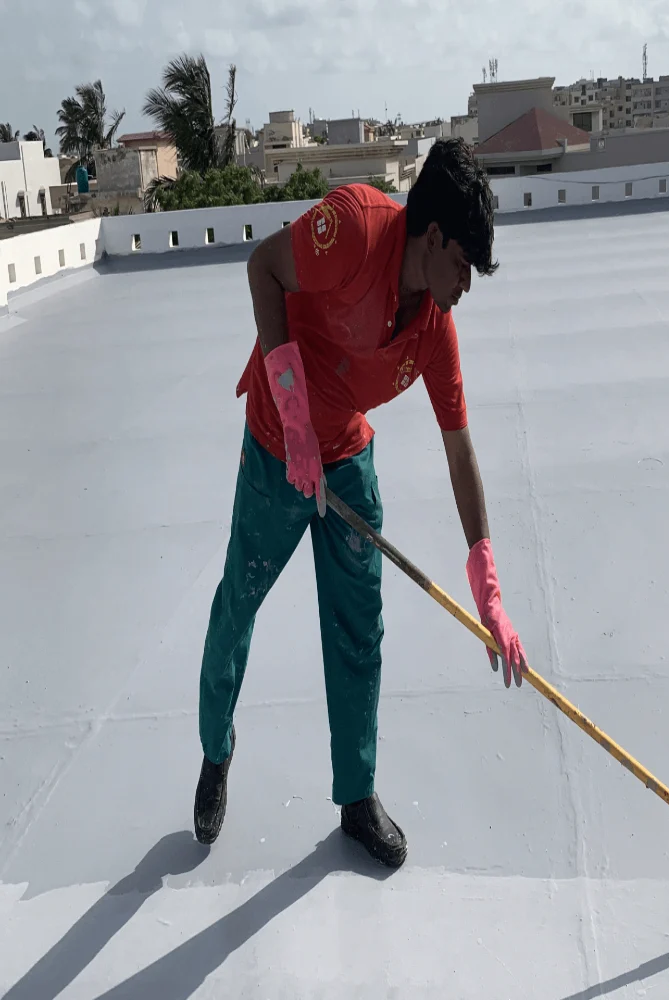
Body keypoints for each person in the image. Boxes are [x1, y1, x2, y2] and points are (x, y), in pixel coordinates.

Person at [193, 138, 527, 867]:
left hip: (345, 458)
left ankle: (356, 796)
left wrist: (488, 583)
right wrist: (293, 420)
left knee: (358, 631)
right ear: (432, 237)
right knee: (238, 604)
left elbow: (460, 450)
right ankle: (216, 752)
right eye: (464, 265)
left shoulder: (434, 330)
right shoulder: (353, 229)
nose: (467, 284)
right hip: (276, 448)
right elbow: (262, 268)